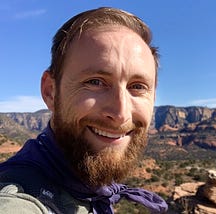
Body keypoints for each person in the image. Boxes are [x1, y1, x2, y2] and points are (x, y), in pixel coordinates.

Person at [0, 7, 168, 213]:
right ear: (50, 91)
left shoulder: (89, 191)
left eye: (138, 86)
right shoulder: (16, 201)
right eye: (96, 82)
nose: (121, 114)